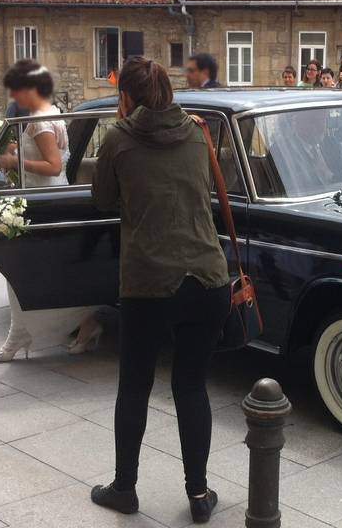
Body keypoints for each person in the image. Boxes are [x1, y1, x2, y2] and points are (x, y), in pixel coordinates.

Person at [90, 56, 229, 524]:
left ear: (125, 98)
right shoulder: (196, 131)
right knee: (191, 386)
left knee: (134, 385)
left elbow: (102, 198)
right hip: (208, 279)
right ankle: (198, 494)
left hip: (148, 281)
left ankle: (125, 488)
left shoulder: (119, 139)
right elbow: (206, 190)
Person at [0, 60, 101, 361]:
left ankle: (18, 338)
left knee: (21, 271)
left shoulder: (39, 121)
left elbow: (52, 165)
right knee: (53, 273)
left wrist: (15, 162)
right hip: (54, 196)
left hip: (43, 200)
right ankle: (87, 324)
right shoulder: (53, 113)